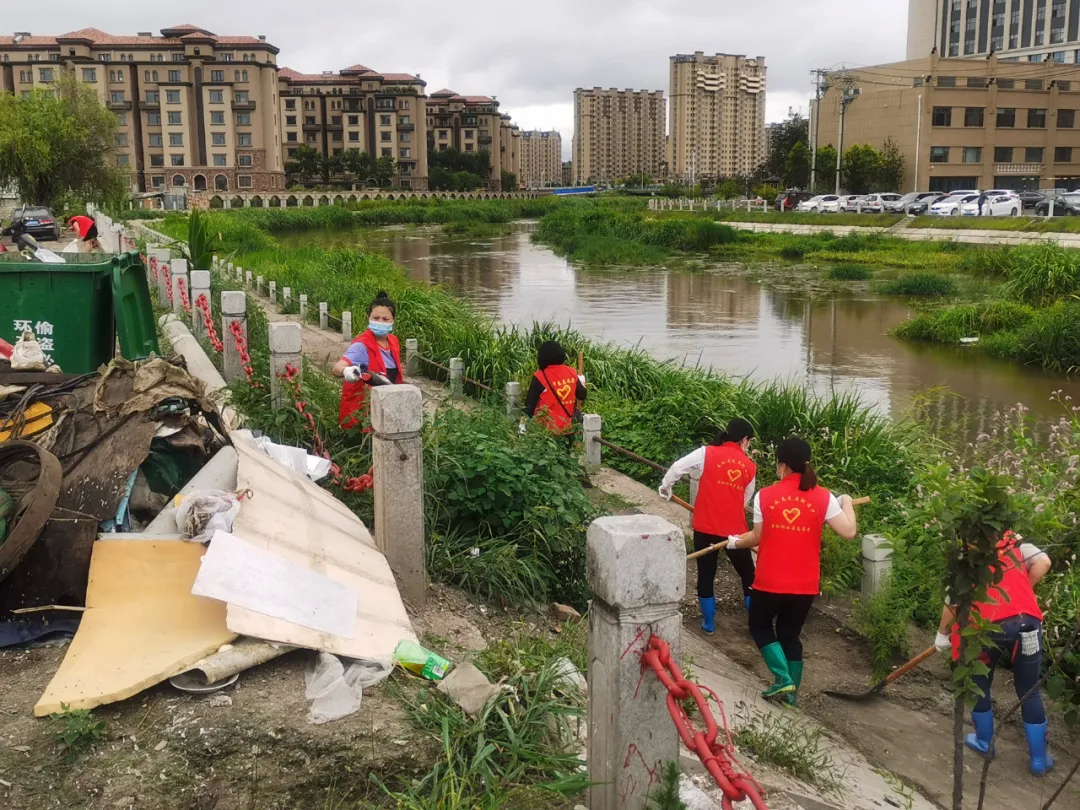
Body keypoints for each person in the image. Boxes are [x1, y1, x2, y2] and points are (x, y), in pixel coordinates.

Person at [727, 437, 857, 703]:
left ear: (782, 465)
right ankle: (791, 698)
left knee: (760, 626)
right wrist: (847, 503)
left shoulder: (766, 495)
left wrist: (735, 542)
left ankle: (783, 679)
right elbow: (849, 531)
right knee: (790, 635)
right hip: (805, 585)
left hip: (770, 580)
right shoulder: (823, 497)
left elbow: (757, 538)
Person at [933, 530, 1054, 775]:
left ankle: (984, 742)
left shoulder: (963, 557)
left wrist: (942, 634)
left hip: (988, 628)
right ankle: (1039, 760)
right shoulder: (1014, 543)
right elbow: (1044, 561)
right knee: (1029, 691)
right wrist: (1022, 592)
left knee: (979, 681)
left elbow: (954, 605)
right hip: (1028, 623)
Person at [658, 418, 757, 635]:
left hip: (705, 526)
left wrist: (666, 487)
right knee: (749, 574)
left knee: (706, 574)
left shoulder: (707, 453)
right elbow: (744, 500)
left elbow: (677, 468)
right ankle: (755, 626)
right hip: (735, 531)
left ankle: (709, 624)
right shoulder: (750, 466)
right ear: (745, 440)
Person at [332, 291, 402, 429]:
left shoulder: (393, 342)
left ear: (393, 320)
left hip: (386, 411)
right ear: (368, 318)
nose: (380, 322)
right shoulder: (362, 345)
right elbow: (336, 367)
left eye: (385, 319)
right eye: (375, 318)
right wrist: (345, 370)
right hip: (361, 418)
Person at [523, 340, 586, 434]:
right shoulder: (571, 372)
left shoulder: (540, 376)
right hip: (568, 429)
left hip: (546, 432)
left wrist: (522, 429)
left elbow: (528, 407)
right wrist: (581, 381)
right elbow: (582, 395)